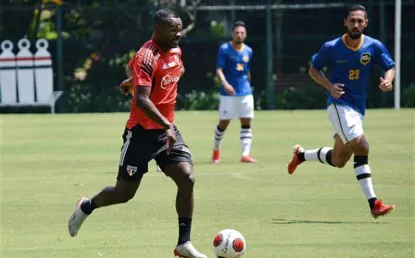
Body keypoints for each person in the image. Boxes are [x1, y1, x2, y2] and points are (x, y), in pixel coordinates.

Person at [68, 8, 207, 258]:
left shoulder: (175, 49)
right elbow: (142, 101)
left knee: (187, 179)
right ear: (158, 30)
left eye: (179, 28)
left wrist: (134, 81)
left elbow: (174, 70)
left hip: (167, 130)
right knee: (124, 194)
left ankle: (183, 243)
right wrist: (164, 122)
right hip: (141, 133)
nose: (178, 34)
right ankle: (87, 205)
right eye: (173, 29)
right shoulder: (146, 56)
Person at [288, 5, 396, 219]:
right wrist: (329, 86)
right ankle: (374, 203)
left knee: (339, 159)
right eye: (352, 20)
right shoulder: (331, 47)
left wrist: (388, 81)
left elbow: (390, 66)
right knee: (362, 146)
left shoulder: (374, 46)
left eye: (360, 21)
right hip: (338, 105)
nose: (356, 24)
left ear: (366, 23)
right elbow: (313, 69)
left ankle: (301, 155)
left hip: (358, 109)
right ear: (345, 22)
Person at [212, 21, 257, 164]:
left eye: (242, 33)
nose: (239, 35)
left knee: (246, 121)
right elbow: (219, 69)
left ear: (246, 35)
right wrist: (225, 84)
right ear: (232, 34)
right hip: (228, 94)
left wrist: (248, 87)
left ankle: (245, 154)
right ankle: (216, 151)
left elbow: (247, 70)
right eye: (237, 32)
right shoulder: (224, 49)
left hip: (245, 92)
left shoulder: (249, 51)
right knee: (223, 123)